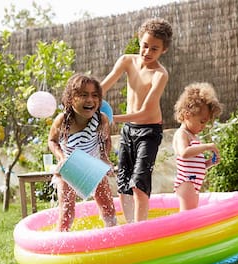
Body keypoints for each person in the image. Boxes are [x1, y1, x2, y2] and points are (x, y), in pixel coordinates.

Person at [101, 18, 173, 223]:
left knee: (139, 182)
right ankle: (130, 226)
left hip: (149, 131)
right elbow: (102, 88)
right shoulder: (126, 61)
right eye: (145, 45)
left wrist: (112, 118)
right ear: (139, 40)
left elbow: (143, 112)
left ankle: (140, 230)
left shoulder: (160, 74)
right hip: (128, 130)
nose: (148, 52)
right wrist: (85, 100)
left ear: (163, 51)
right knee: (123, 181)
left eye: (155, 49)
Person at [48, 73, 117, 231]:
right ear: (71, 98)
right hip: (70, 167)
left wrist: (105, 158)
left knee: (107, 206)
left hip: (93, 165)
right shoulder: (63, 120)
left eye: (94, 95)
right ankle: (61, 242)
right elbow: (52, 141)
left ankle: (112, 236)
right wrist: (62, 158)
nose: (90, 100)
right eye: (83, 95)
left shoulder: (101, 119)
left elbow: (106, 140)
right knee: (66, 211)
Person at [173, 82, 223, 211]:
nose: (203, 127)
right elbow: (184, 153)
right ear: (187, 115)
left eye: (205, 123)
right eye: (201, 122)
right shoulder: (182, 134)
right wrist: (207, 146)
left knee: (192, 212)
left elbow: (195, 164)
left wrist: (209, 163)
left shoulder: (194, 137)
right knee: (186, 215)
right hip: (186, 181)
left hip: (194, 182)